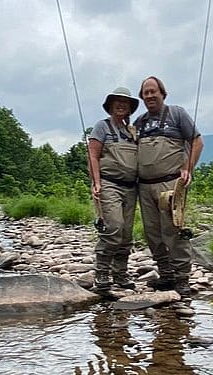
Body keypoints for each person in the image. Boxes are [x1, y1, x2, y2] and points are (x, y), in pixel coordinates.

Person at [135, 76, 204, 297]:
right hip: (144, 186)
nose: (150, 96)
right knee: (152, 233)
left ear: (163, 93)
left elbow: (197, 141)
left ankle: (182, 278)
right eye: (146, 93)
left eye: (153, 91)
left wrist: (188, 168)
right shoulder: (139, 123)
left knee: (173, 231)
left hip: (171, 183)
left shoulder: (177, 114)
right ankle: (166, 275)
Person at [88, 87, 139, 292]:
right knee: (114, 227)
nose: (121, 105)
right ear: (110, 105)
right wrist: (96, 182)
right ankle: (101, 272)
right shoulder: (102, 127)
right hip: (109, 184)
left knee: (126, 233)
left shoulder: (132, 132)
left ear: (129, 108)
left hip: (131, 187)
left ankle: (120, 273)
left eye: (125, 102)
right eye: (117, 101)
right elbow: (92, 154)